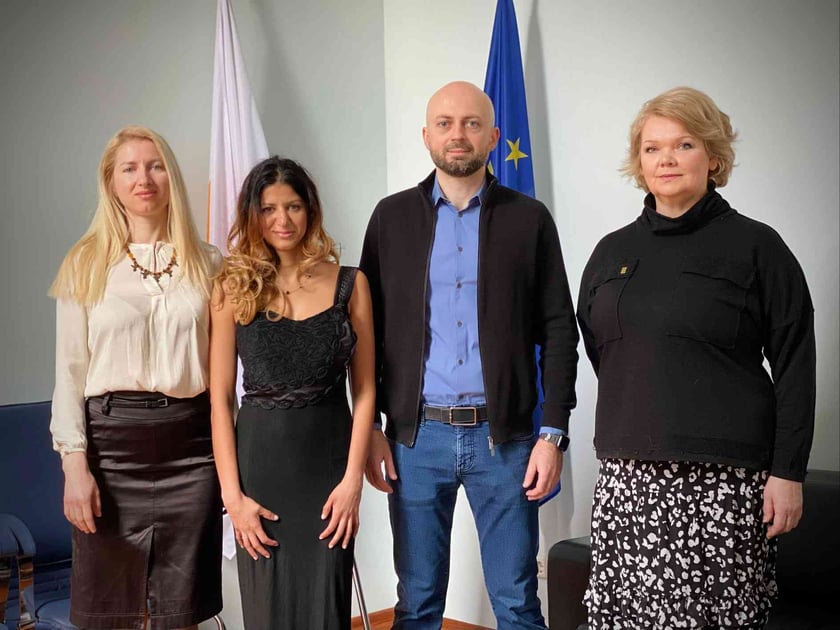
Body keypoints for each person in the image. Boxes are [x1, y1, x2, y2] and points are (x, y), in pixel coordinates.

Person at [577, 86, 816, 629]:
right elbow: (602, 349)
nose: (666, 159)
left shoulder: (759, 247)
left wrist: (788, 473)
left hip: (724, 483)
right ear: (639, 162)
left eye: (684, 144)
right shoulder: (611, 252)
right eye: (652, 148)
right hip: (626, 478)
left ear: (713, 156)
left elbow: (796, 365)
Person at [360, 81, 579, 629]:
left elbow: (559, 328)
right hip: (415, 441)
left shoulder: (529, 219)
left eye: (471, 123)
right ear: (426, 135)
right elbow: (364, 332)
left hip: (505, 441)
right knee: (417, 603)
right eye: (445, 123)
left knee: (517, 602)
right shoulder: (390, 218)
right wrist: (372, 429)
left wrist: (553, 432)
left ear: (493, 136)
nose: (457, 134)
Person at [49, 125, 223, 630]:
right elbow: (69, 373)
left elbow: (222, 377)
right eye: (129, 168)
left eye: (155, 165)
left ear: (171, 177)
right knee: (109, 617)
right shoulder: (85, 263)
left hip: (191, 450)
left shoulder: (209, 263)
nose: (143, 178)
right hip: (111, 451)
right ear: (111, 182)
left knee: (180, 615)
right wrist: (74, 466)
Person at [209, 156, 375, 629]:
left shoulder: (351, 284)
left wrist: (352, 483)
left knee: (327, 608)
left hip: (329, 473)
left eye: (293, 207)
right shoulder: (231, 288)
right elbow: (220, 400)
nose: (282, 220)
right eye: (269, 208)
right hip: (260, 472)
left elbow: (365, 392)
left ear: (311, 211)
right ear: (253, 215)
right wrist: (232, 498)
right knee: (268, 610)